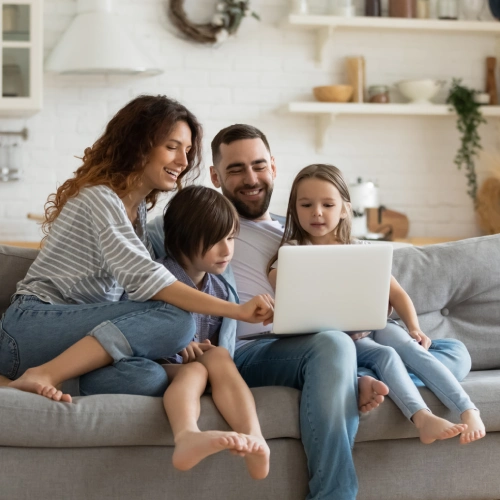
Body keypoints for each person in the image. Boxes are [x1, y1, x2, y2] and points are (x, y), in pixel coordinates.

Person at [148, 123, 474, 500]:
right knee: (336, 345)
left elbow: (360, 272)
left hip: (320, 342)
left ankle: (350, 379)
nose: (251, 178)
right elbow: (158, 279)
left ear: (273, 166)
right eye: (236, 169)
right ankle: (334, 489)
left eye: (258, 165)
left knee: (454, 353)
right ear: (216, 176)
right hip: (253, 350)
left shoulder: (299, 230)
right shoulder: (198, 225)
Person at [0, 95, 273, 402]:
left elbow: (133, 299)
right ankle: (43, 374)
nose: (183, 162)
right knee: (179, 320)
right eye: (172, 147)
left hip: (71, 339)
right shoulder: (99, 199)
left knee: (149, 377)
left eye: (186, 150)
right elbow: (148, 282)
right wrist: (238, 311)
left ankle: (28, 380)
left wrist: (167, 340)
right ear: (138, 144)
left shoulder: (138, 213)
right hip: (33, 327)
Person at [267, 163, 486, 446]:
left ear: (344, 208)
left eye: (327, 204)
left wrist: (415, 328)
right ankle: (422, 417)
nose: (317, 212)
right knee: (386, 356)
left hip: (376, 325)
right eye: (306, 204)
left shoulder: (362, 250)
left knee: (408, 346)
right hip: (340, 340)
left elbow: (398, 295)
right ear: (294, 209)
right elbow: (281, 287)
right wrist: (281, 272)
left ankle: (469, 410)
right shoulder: (293, 254)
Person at [157, 185, 270, 479]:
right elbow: (138, 330)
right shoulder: (158, 278)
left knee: (218, 357)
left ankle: (255, 437)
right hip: (159, 364)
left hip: (201, 367)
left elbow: (217, 346)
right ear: (182, 241)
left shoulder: (219, 288)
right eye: (215, 241)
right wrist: (178, 344)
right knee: (195, 372)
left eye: (231, 238)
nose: (227, 249)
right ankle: (188, 435)